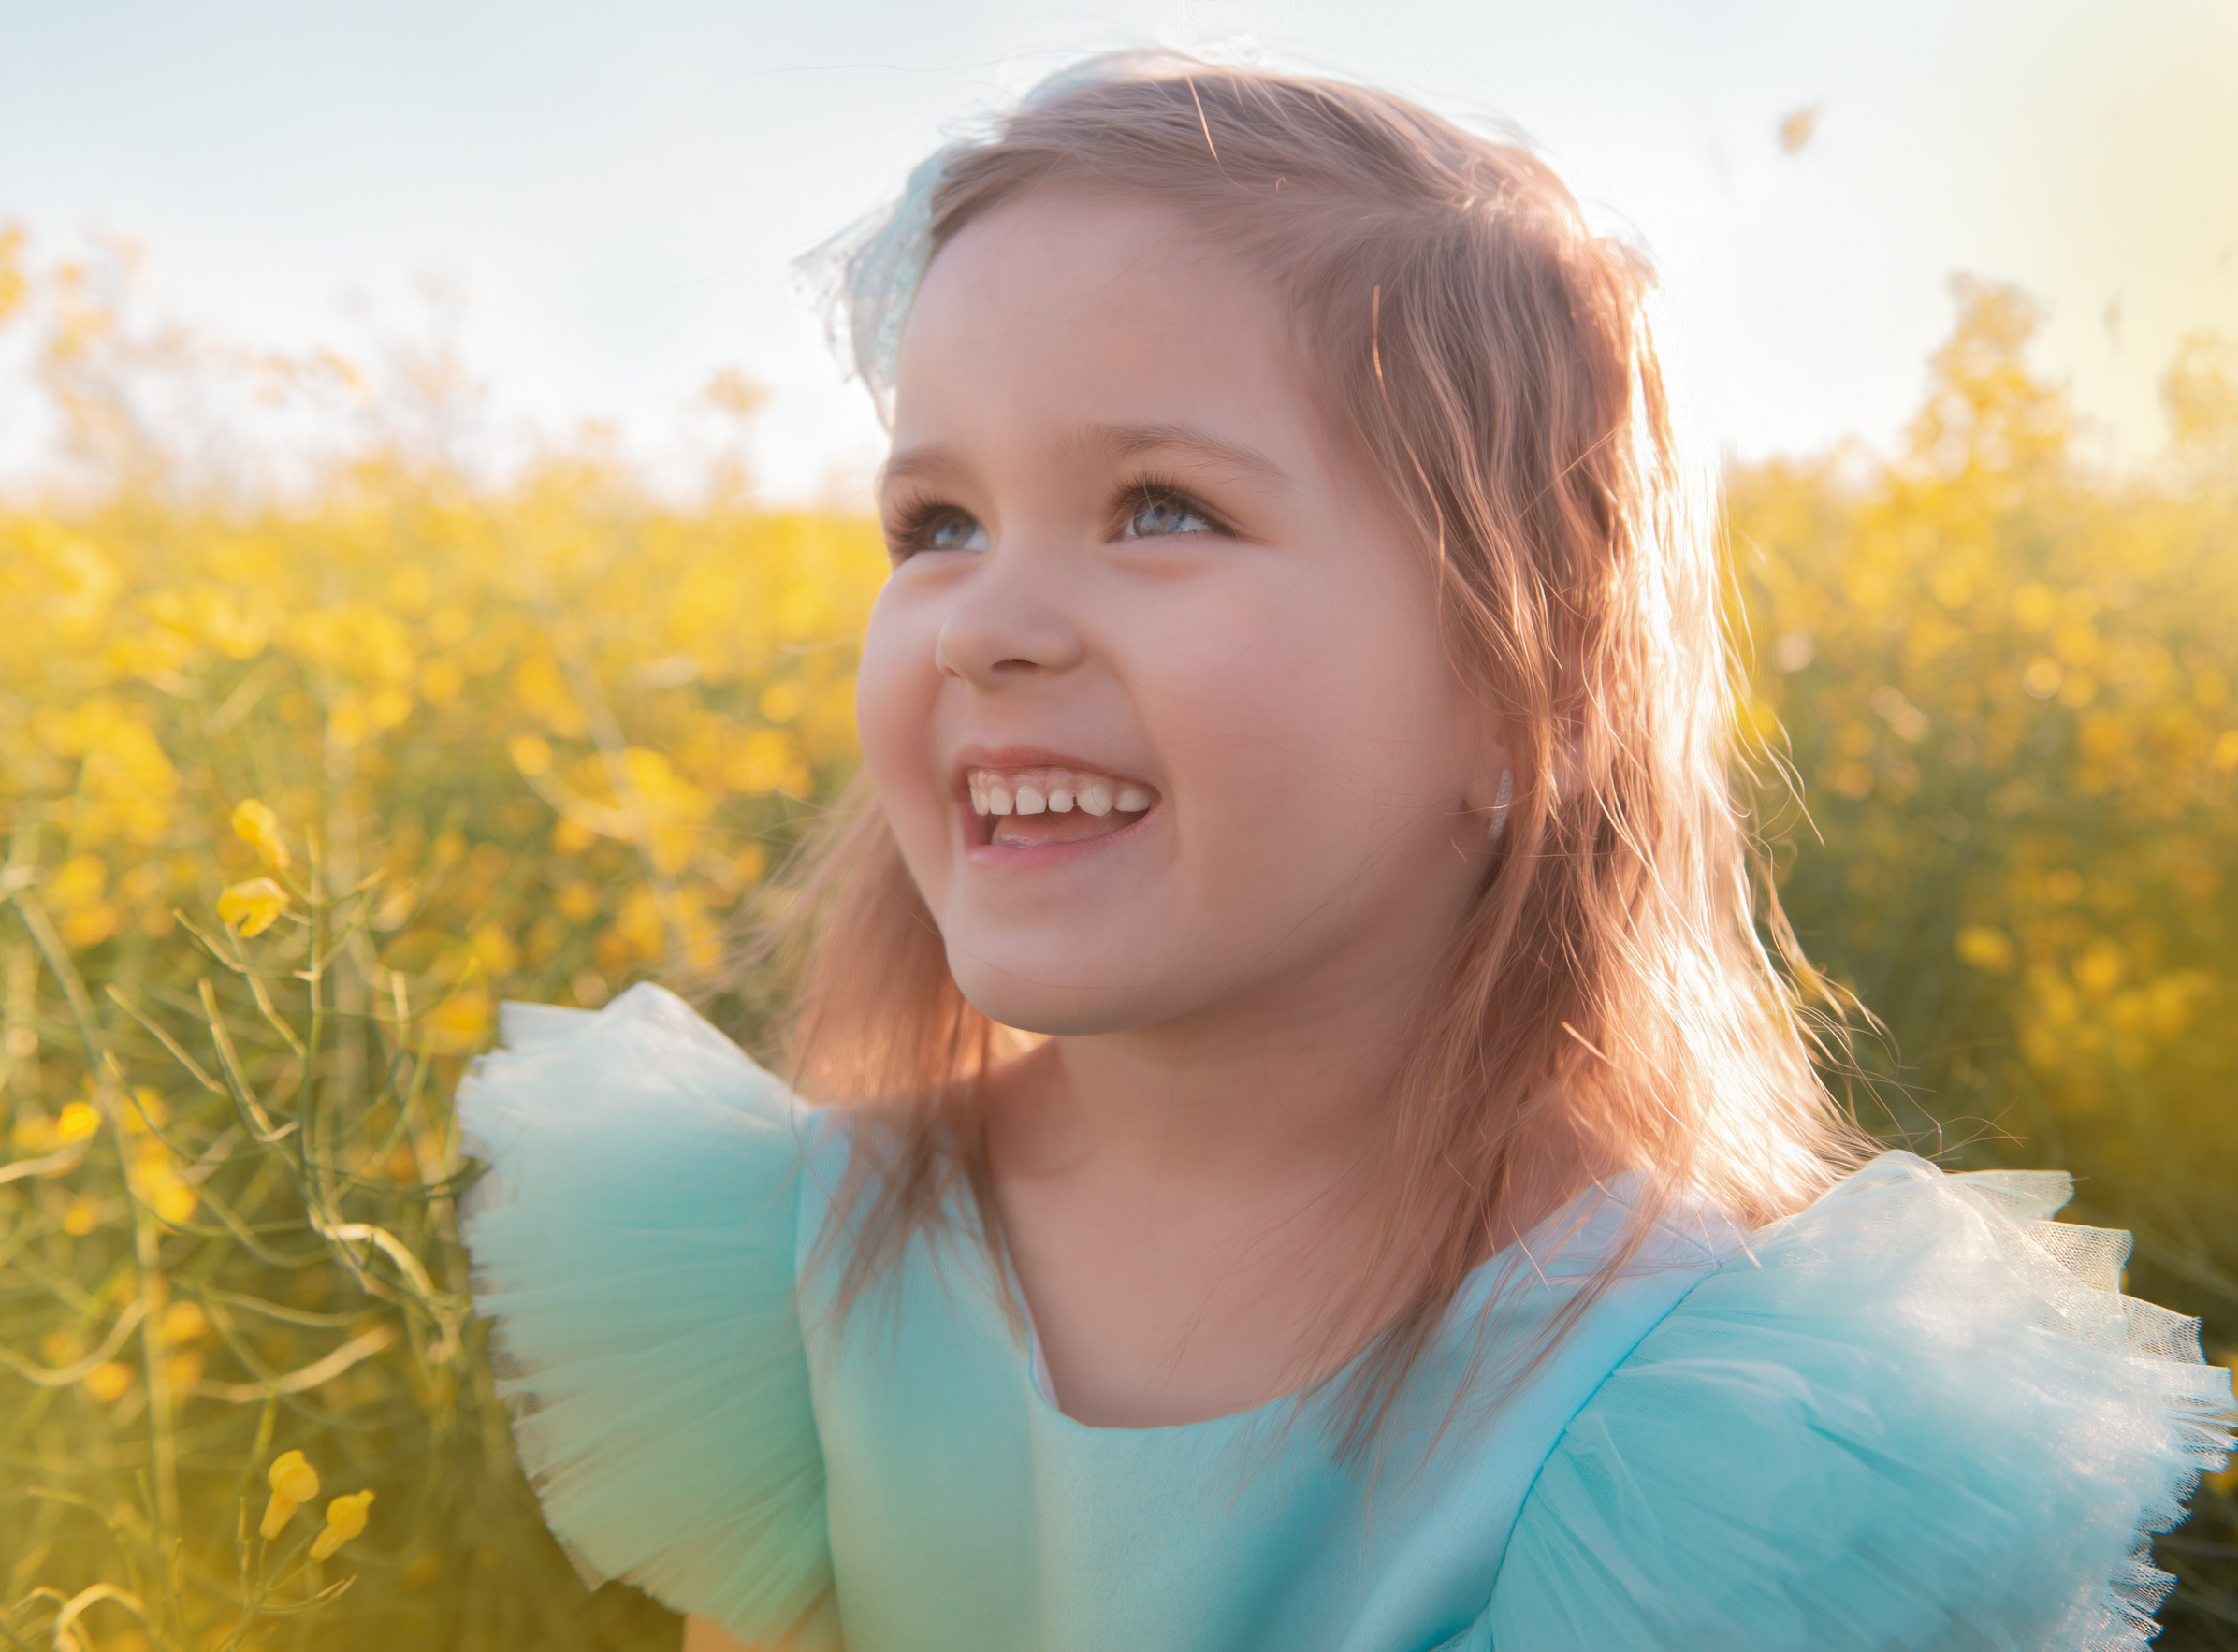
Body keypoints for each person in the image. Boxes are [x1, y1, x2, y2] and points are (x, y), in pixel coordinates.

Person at [454, 52, 2232, 1651]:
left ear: (1523, 689)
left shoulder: (1705, 1435)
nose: (981, 623)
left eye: (1161, 508)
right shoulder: (805, 1259)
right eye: (936, 523)